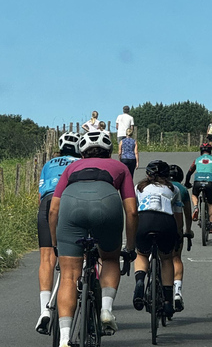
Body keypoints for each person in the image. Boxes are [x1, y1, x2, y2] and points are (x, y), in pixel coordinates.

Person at [49, 130, 138, 347]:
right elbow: (132, 211)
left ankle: (64, 339)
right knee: (108, 259)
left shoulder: (71, 167)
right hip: (107, 204)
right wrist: (130, 246)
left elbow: (53, 209)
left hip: (71, 207)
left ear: (82, 152)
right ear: (108, 151)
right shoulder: (120, 167)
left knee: (69, 276)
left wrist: (55, 244)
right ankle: (106, 310)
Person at [35, 132, 81, 334]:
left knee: (46, 258)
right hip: (71, 201)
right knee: (79, 254)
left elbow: (40, 195)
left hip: (47, 203)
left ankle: (44, 309)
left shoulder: (49, 164)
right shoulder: (80, 162)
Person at [131, 160, 182, 318]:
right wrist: (179, 234)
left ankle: (140, 281)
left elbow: (133, 210)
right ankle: (167, 301)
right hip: (165, 222)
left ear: (148, 174)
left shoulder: (139, 188)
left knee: (142, 254)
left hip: (144, 221)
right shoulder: (173, 188)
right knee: (166, 259)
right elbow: (178, 216)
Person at [184, 143, 212, 235]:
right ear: (210, 151)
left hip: (197, 182)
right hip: (210, 182)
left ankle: (196, 207)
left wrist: (187, 183)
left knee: (194, 195)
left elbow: (189, 173)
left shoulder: (197, 160)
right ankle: (211, 225)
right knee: (211, 203)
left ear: (201, 151)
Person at [168, 164, 193, 312]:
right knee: (175, 258)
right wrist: (188, 230)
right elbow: (188, 214)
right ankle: (177, 291)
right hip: (175, 228)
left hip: (154, 226)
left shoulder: (163, 186)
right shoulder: (182, 190)